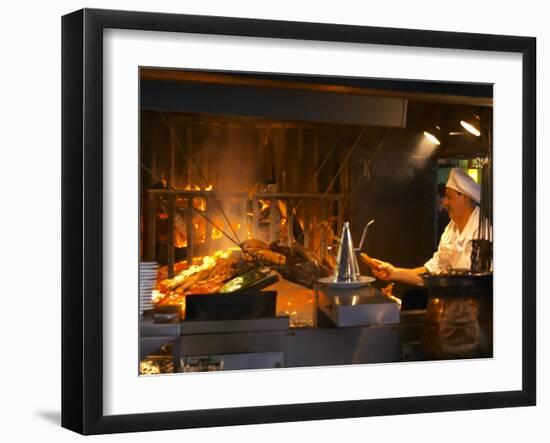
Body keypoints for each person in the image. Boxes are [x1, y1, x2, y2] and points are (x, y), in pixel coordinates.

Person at [360, 168, 482, 286]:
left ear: (465, 198)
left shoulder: (484, 230)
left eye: (449, 197)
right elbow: (432, 270)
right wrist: (395, 273)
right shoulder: (451, 229)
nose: (445, 202)